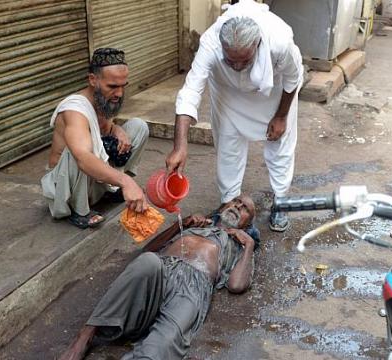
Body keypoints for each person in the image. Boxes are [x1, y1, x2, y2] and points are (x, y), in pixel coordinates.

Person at [58, 195, 259, 360]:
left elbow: (237, 285)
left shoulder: (239, 244)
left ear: (247, 223)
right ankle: (84, 337)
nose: (237, 206)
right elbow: (149, 249)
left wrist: (249, 246)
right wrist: (180, 225)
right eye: (236, 202)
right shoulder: (198, 224)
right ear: (223, 206)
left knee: (163, 342)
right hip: (162, 269)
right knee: (148, 261)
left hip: (193, 286)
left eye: (244, 209)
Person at [166, 0, 303, 232]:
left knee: (280, 144)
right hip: (228, 92)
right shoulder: (210, 44)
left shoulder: (278, 42)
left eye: (245, 60)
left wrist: (281, 116)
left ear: (258, 45)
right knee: (227, 144)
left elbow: (293, 77)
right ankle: (229, 201)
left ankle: (281, 201)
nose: (238, 66)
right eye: (231, 60)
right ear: (222, 48)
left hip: (272, 91)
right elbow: (190, 91)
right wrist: (180, 145)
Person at [41, 48, 150, 229]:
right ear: (93, 80)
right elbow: (83, 157)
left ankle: (111, 191)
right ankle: (79, 210)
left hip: (93, 180)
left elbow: (102, 130)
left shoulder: (104, 99)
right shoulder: (75, 110)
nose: (120, 93)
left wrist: (117, 129)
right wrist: (127, 181)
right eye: (113, 86)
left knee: (139, 126)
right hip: (66, 188)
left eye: (124, 85)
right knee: (79, 150)